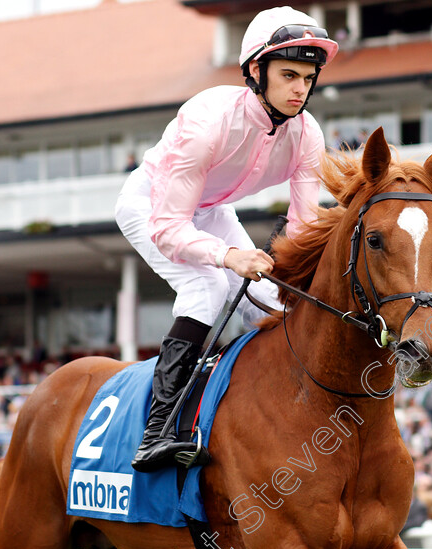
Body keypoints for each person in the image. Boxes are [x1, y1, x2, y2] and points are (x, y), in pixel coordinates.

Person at [114, 6, 338, 472]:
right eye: (290, 75)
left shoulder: (307, 134)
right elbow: (169, 228)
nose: (301, 89)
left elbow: (302, 226)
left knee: (276, 300)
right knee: (209, 287)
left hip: (212, 210)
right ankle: (155, 432)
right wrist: (228, 255)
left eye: (309, 77)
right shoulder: (207, 119)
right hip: (151, 206)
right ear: (257, 71)